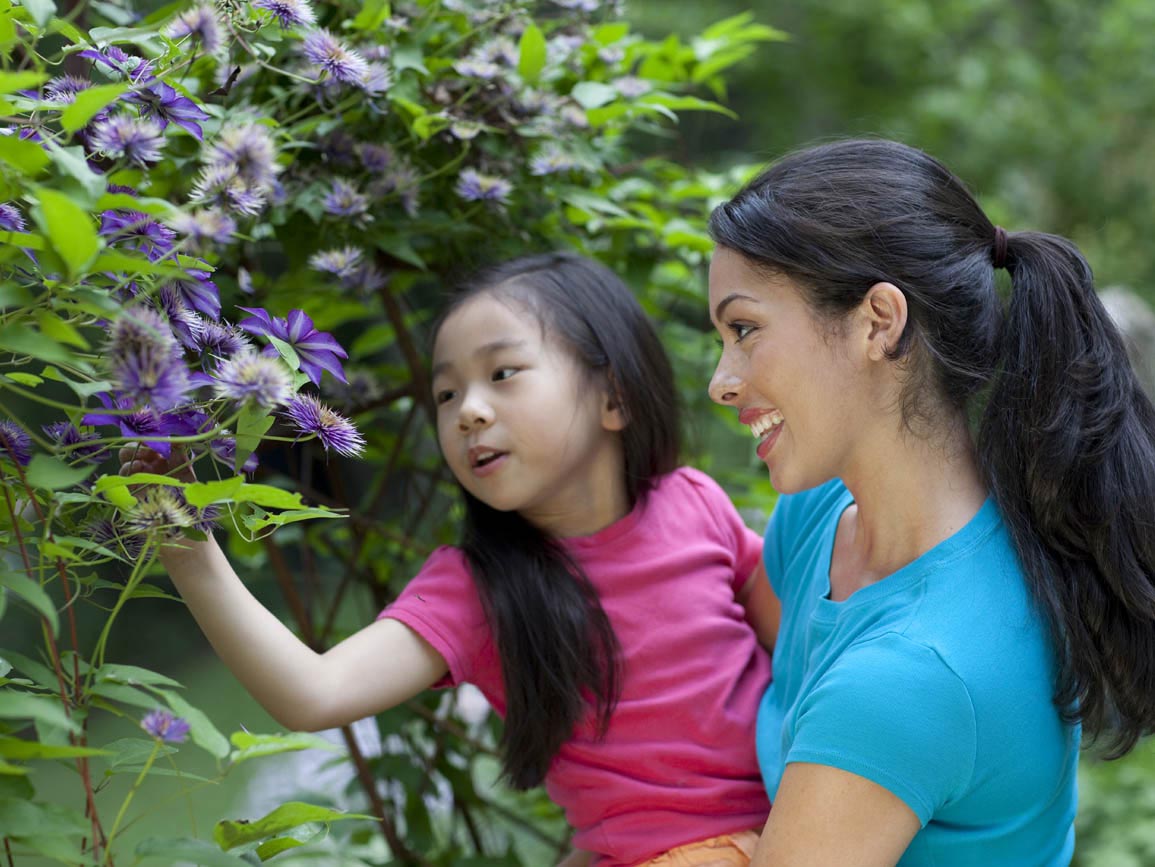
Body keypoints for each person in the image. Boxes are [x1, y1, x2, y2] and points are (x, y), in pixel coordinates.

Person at [120, 252, 779, 867]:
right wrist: (188, 548)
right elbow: (313, 692)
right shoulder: (475, 589)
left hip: (803, 824)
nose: (469, 411)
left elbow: (803, 643)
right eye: (445, 395)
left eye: (501, 374)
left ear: (614, 397)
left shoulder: (694, 502)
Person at [705, 137, 1155, 866]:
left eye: (745, 329)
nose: (720, 381)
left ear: (879, 321)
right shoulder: (820, 512)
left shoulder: (910, 674)